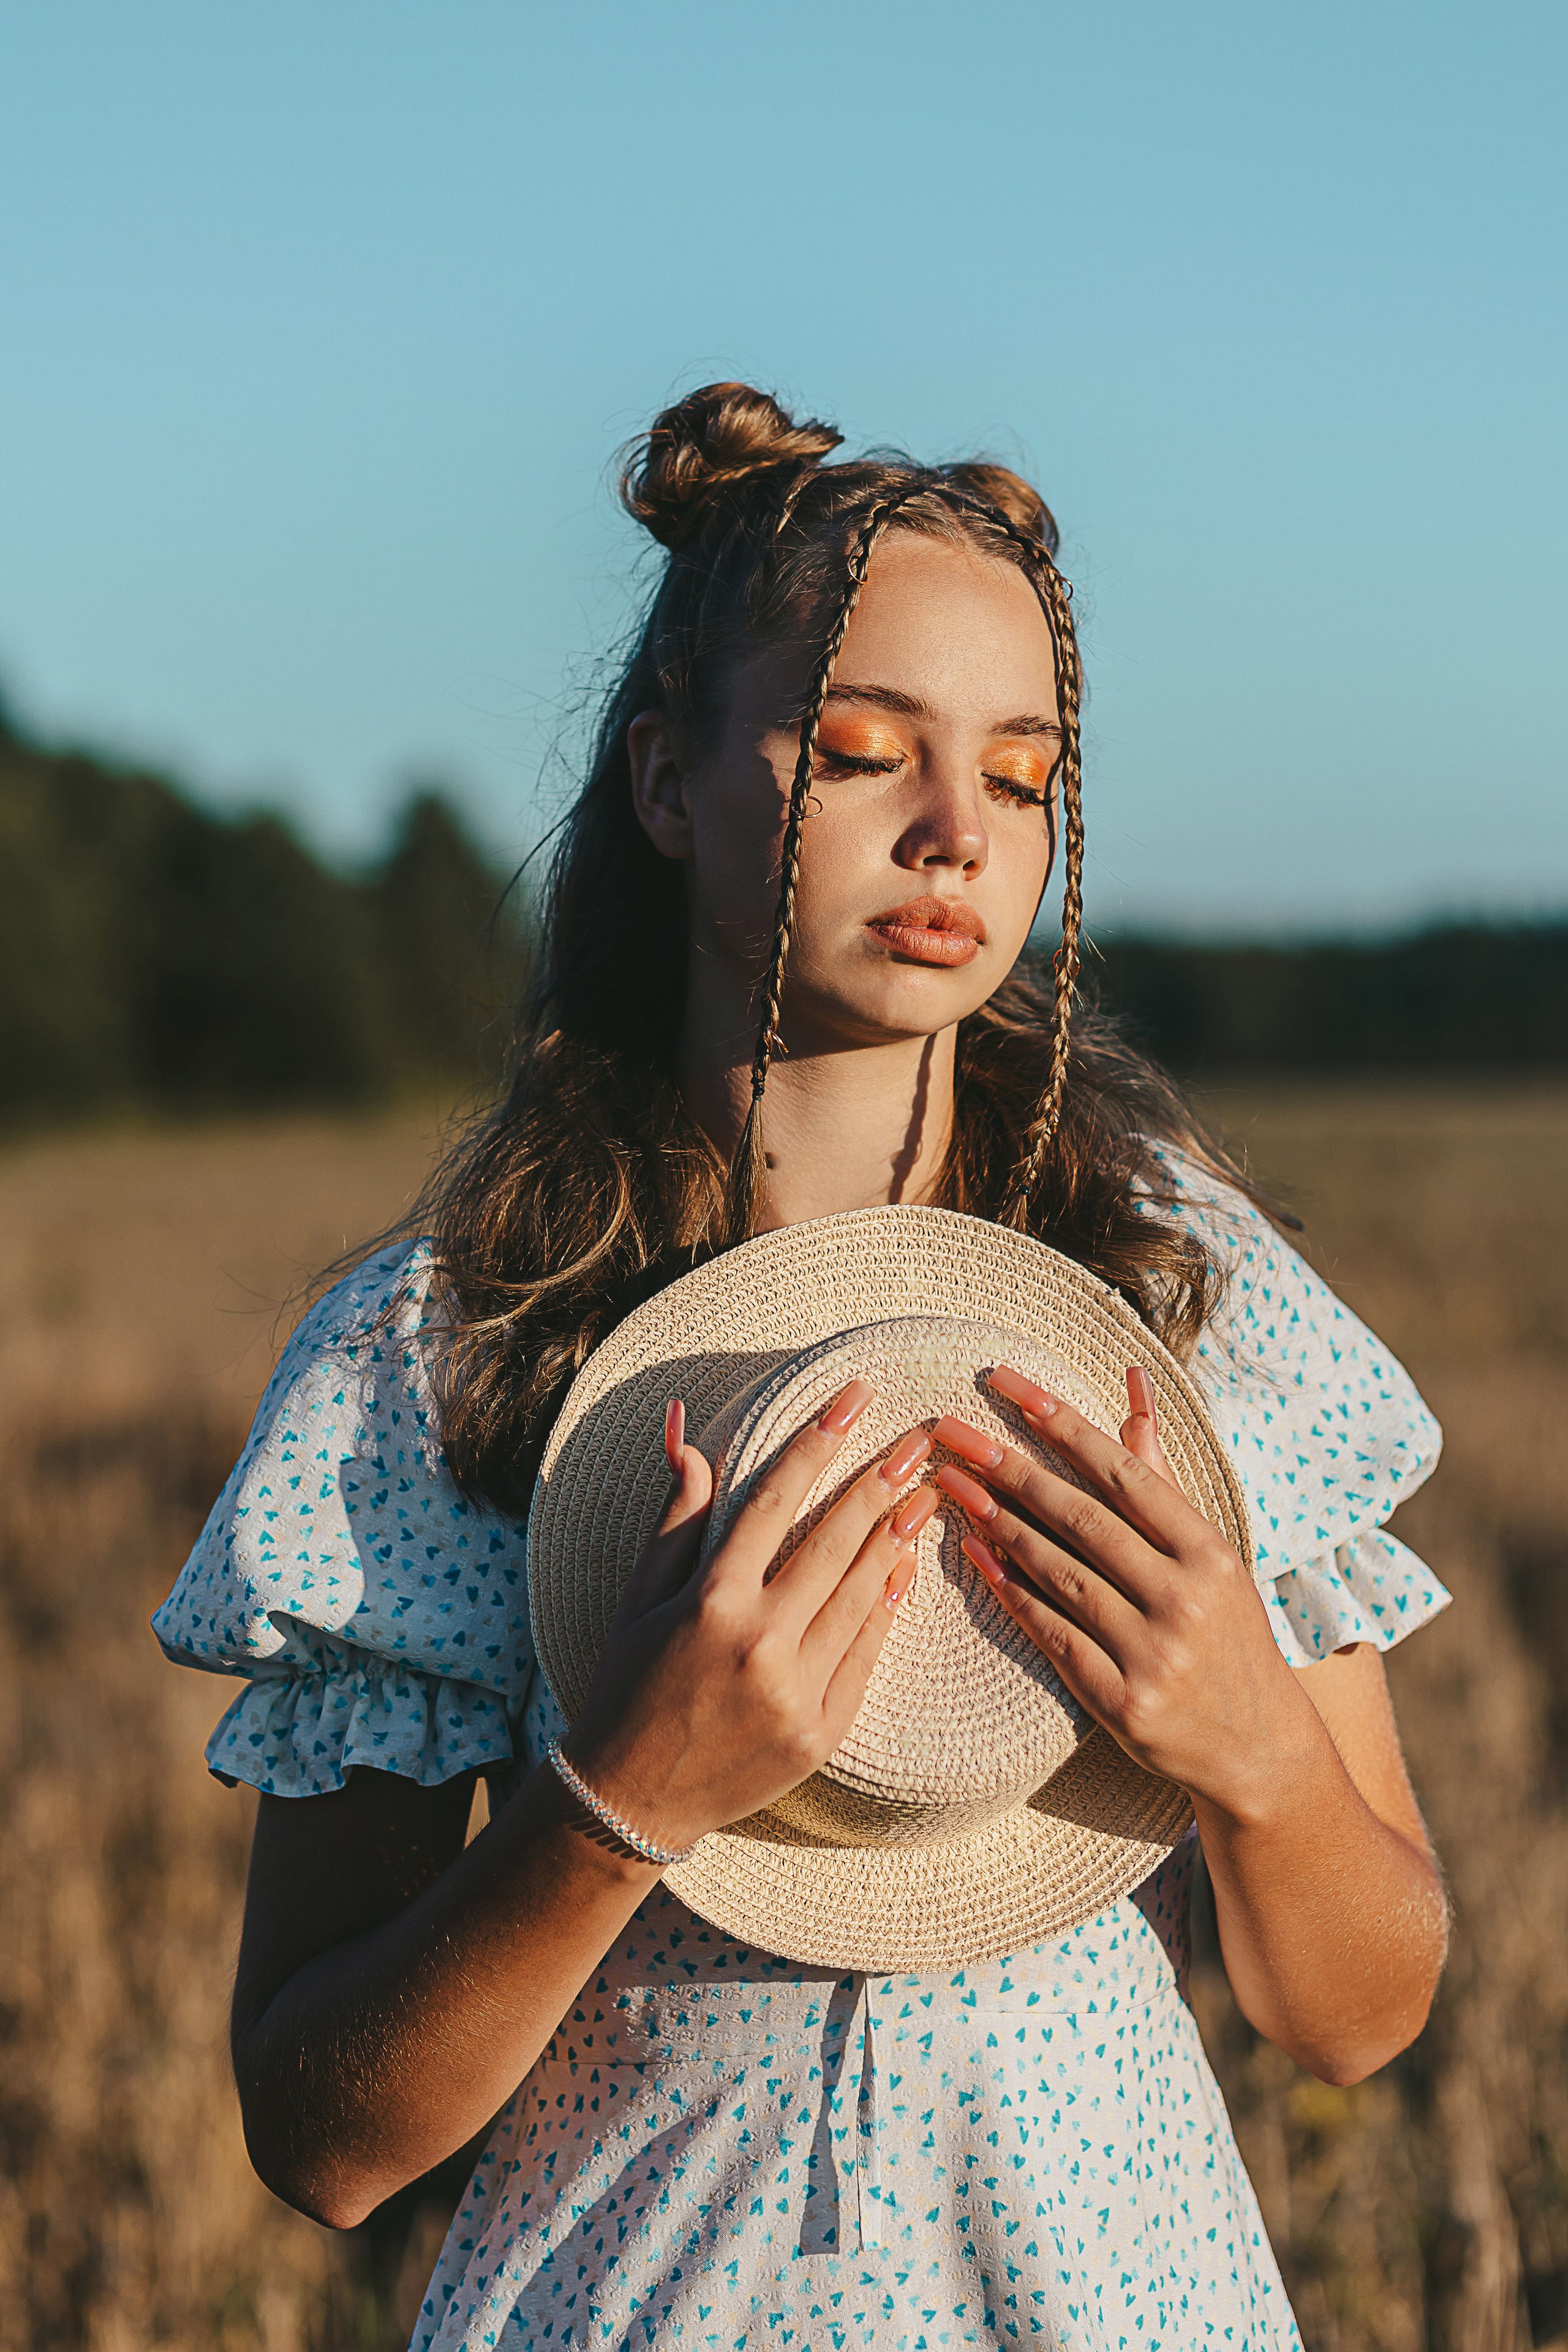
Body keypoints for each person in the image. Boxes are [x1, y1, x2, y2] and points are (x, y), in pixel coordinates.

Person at [155, 382, 1451, 2351]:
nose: (958, 834)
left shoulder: (1186, 1298)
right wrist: (621, 1798)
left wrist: (1256, 1747)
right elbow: (324, 2144)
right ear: (669, 783)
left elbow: (1362, 2018)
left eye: (1025, 775)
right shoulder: (450, 1347)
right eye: (860, 752)